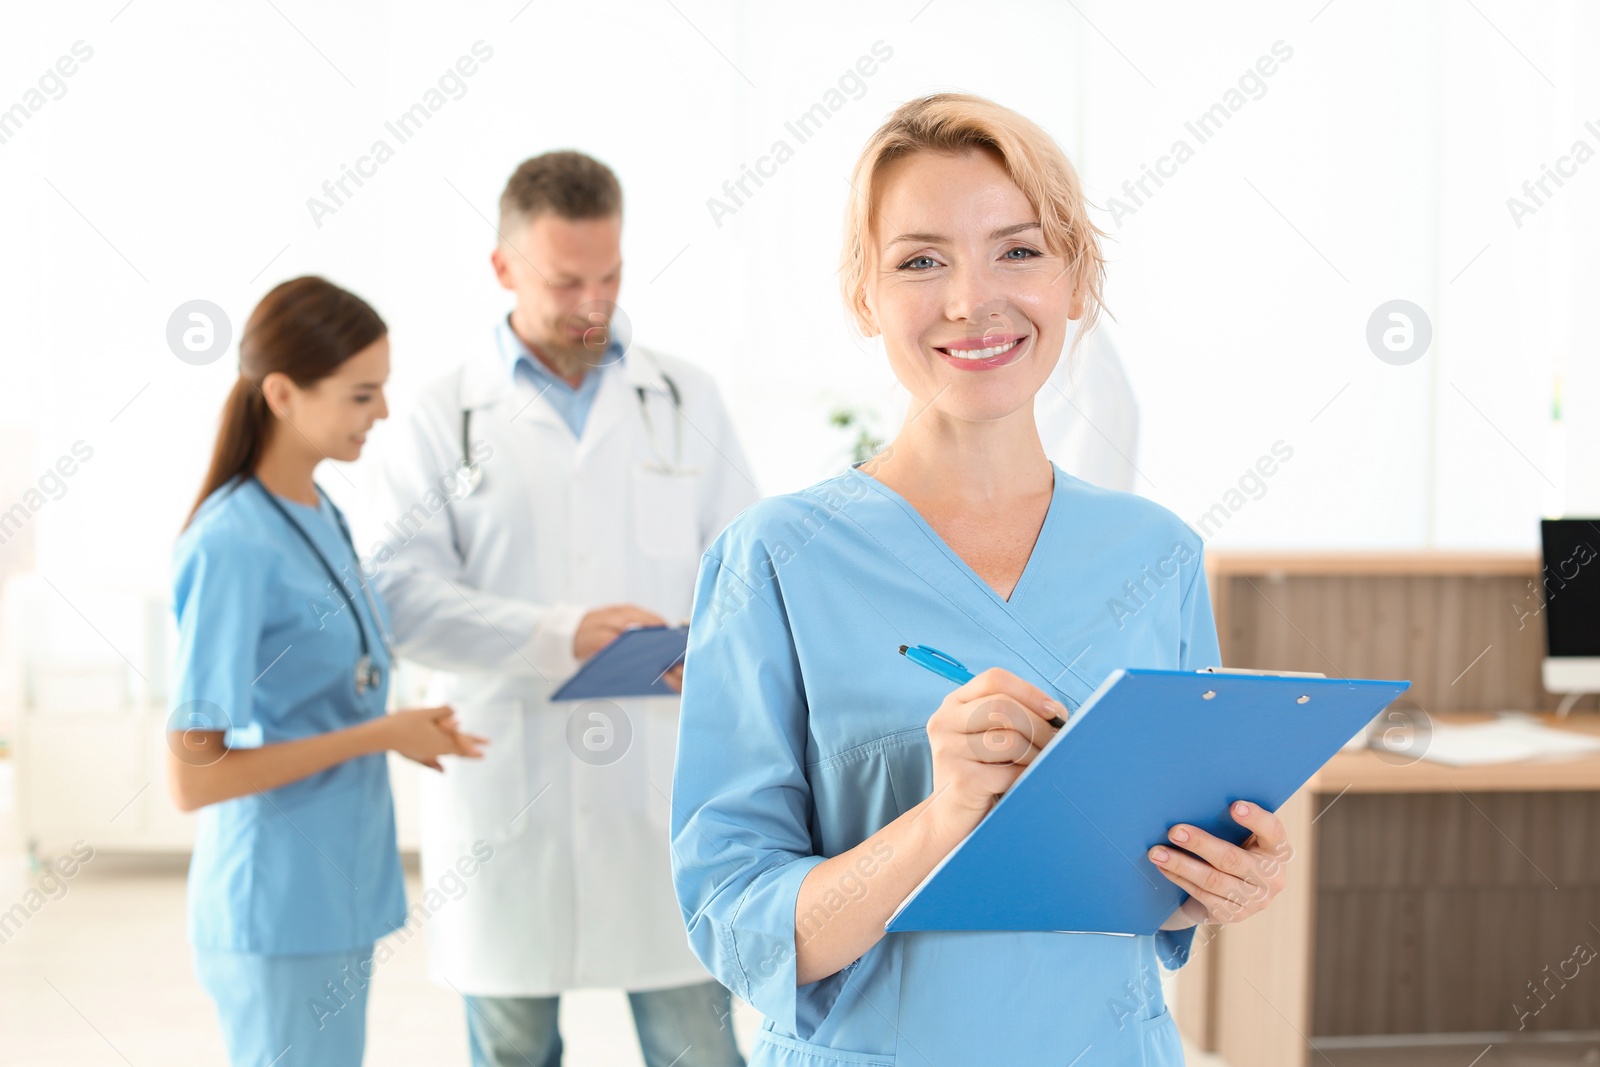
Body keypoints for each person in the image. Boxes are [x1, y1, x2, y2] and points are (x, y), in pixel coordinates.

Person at [671, 94, 1291, 1065]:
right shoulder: (775, 557)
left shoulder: (1156, 552)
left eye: (1019, 249)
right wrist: (941, 817)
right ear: (863, 296)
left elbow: (1156, 882)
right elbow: (740, 924)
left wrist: (1226, 875)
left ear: (1076, 277)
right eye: (920, 260)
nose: (971, 300)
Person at [369, 151, 755, 1067]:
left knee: (697, 1048)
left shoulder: (684, 396)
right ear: (503, 268)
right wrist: (557, 636)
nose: (595, 303)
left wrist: (716, 649)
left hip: (659, 782)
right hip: (509, 783)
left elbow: (747, 568)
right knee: (512, 1050)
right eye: (565, 280)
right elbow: (400, 597)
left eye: (611, 275)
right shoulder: (442, 414)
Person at [167, 276, 485, 1067]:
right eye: (361, 394)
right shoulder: (231, 541)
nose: (381, 413)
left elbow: (330, 686)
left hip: (333, 888)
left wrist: (398, 728)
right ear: (282, 392)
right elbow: (193, 777)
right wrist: (377, 731)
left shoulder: (319, 511)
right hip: (275, 903)